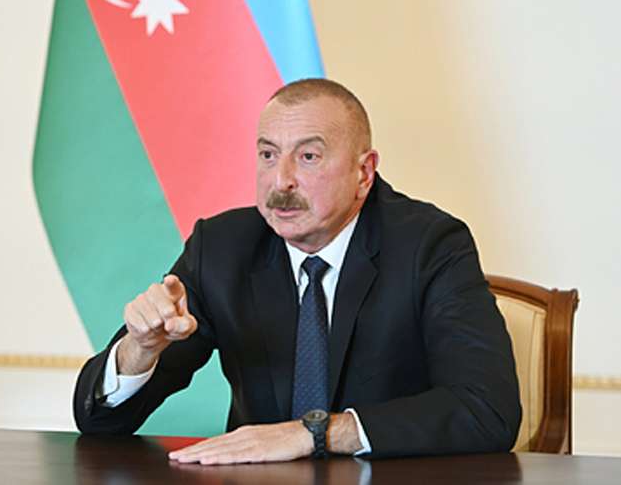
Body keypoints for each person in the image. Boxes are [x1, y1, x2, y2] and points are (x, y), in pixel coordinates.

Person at [73, 78, 521, 464]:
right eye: (268, 155)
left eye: (308, 157)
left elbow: (488, 411)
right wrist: (139, 350)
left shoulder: (429, 246)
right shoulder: (223, 248)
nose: (280, 181)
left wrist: (318, 433)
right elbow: (98, 422)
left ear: (364, 173)